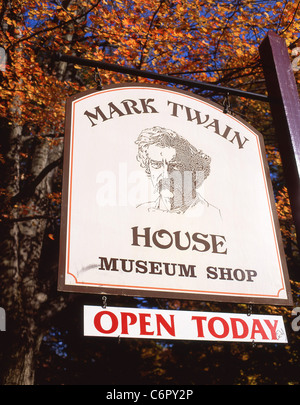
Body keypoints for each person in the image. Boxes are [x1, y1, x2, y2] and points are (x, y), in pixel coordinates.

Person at [135, 126, 221, 218]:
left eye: (175, 166)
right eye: (156, 165)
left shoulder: (213, 216)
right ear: (148, 168)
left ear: (193, 170)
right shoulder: (140, 212)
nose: (166, 175)